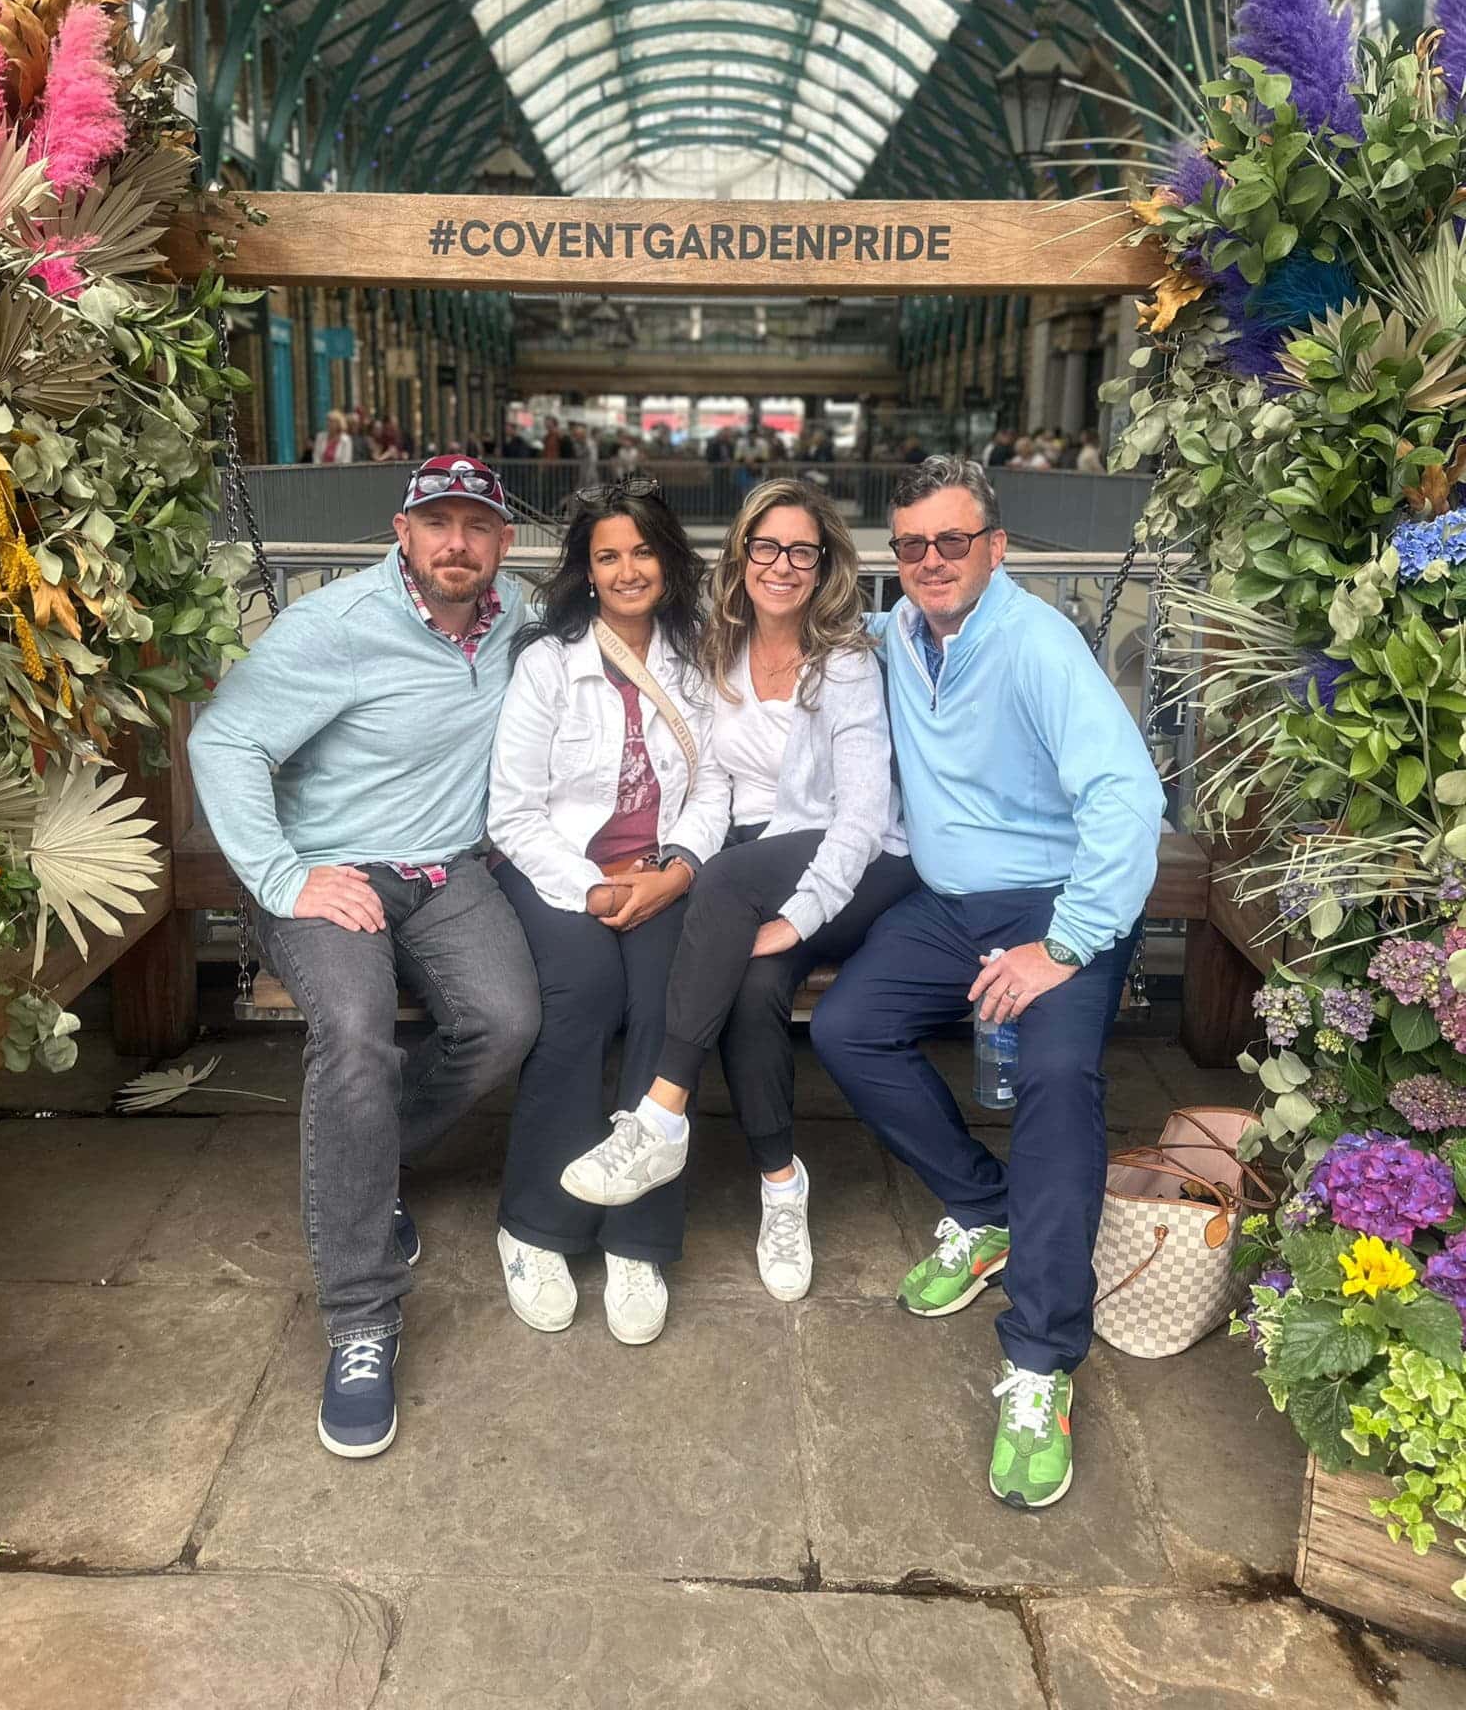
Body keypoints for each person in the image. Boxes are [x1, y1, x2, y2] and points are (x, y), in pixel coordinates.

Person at [809, 456, 1163, 1513]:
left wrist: (1065, 944)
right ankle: (983, 1205)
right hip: (951, 905)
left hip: (1056, 904)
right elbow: (796, 648)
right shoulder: (895, 638)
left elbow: (1128, 797)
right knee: (847, 1025)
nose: (931, 561)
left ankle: (1043, 1356)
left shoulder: (1037, 643)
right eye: (912, 545)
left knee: (1057, 1078)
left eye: (952, 541)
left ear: (995, 549)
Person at [188, 456, 541, 1461]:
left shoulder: (518, 618)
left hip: (448, 870)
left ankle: (369, 1158)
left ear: (503, 541)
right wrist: (284, 876)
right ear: (403, 531)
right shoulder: (334, 626)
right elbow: (223, 743)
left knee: (508, 1020)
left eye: (477, 525)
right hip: (331, 872)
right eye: (438, 523)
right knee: (352, 1033)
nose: (457, 543)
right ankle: (360, 1316)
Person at [560, 480, 915, 1301]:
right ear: (743, 554)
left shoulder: (845, 663)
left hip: (855, 860)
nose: (781, 565)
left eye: (801, 551)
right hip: (751, 864)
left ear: (824, 564)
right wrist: (685, 856)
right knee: (753, 989)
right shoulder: (718, 650)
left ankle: (660, 1114)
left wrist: (800, 916)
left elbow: (863, 816)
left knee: (725, 880)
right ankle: (782, 1183)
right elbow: (714, 783)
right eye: (766, 547)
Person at [488, 481, 730, 1345]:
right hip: (557, 871)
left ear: (668, 561)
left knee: (667, 1002)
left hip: (660, 873)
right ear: (585, 571)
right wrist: (592, 888)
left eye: (642, 551)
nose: (628, 570)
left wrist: (678, 869)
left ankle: (637, 1240)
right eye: (607, 556)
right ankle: (535, 1224)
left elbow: (716, 786)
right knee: (582, 996)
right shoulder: (548, 664)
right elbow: (513, 812)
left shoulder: (695, 660)